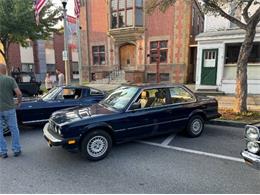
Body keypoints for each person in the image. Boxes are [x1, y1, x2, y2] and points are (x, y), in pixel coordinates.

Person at [0, 64, 22, 158]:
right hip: (10, 108)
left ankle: (3, 152)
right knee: (14, 129)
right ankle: (16, 149)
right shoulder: (10, 79)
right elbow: (19, 93)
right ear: (5, 70)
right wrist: (18, 103)